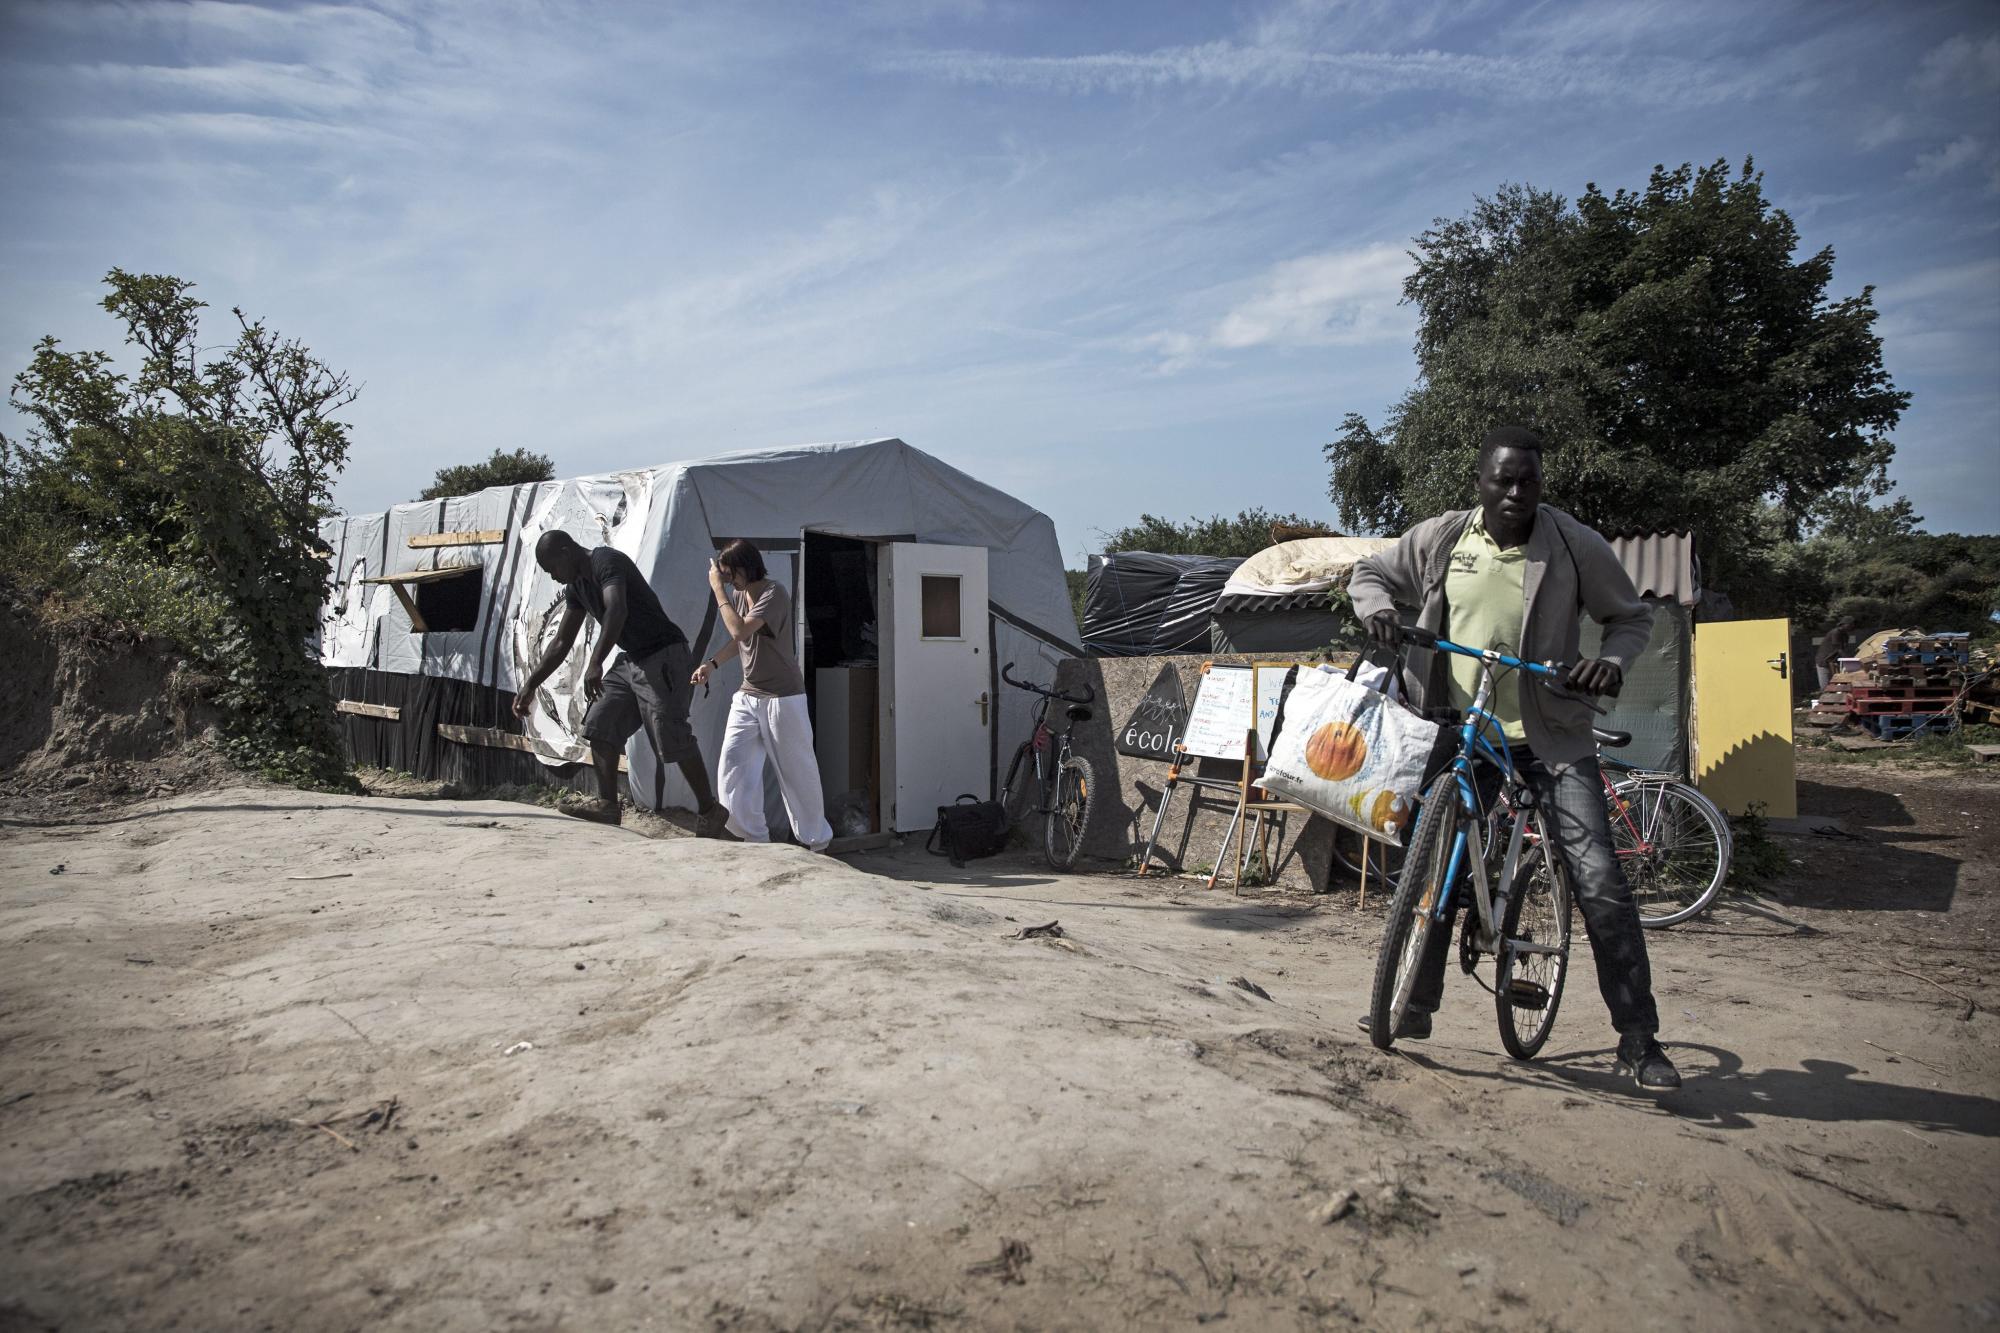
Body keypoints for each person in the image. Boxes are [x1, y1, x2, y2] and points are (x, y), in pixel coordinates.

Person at [1347, 425, 1680, 1091]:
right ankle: (1415, 1002)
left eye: (1528, 479)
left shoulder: (1571, 543)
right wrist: (1380, 609)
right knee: (1432, 859)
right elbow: (1370, 572)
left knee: (1598, 879)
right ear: (1480, 483)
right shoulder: (1445, 536)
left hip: (1551, 733)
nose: (1517, 491)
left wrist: (1611, 663)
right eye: (1504, 479)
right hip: (1464, 724)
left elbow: (1630, 619)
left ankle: (1640, 1039)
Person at [513, 530, 724, 833]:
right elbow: (561, 642)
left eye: (552, 569)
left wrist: (596, 662)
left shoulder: (606, 562)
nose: (554, 577)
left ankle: (710, 810)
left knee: (670, 734)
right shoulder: (577, 586)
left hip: (664, 653)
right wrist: (531, 684)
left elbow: (617, 609)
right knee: (600, 724)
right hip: (633, 659)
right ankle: (608, 805)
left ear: (565, 551)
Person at [691, 540, 834, 852]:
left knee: (797, 772)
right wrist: (712, 664)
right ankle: (752, 838)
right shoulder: (741, 596)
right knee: (733, 764)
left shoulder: (773, 593)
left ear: (746, 567)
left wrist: (718, 590)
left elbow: (739, 631)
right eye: (724, 577)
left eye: (730, 575)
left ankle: (817, 843)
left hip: (782, 698)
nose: (728, 582)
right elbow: (741, 642)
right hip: (749, 695)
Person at [1816, 616, 1857, 691]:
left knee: (1836, 685)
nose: (1852, 626)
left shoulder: (1845, 635)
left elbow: (1844, 649)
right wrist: (1850, 662)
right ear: (1844, 624)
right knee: (1825, 687)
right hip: (1824, 661)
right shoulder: (1836, 632)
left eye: (1853, 625)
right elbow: (1839, 649)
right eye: (1850, 624)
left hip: (1833, 662)